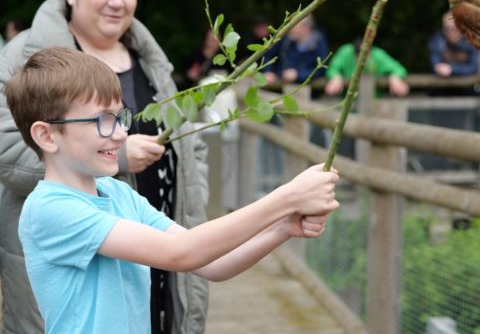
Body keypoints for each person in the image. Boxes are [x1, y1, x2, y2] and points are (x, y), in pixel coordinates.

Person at [5, 46, 340, 334]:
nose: (122, 133)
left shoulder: (118, 194)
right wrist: (287, 197)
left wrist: (283, 226)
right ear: (46, 135)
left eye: (119, 117)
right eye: (102, 121)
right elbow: (182, 253)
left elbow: (212, 265)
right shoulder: (51, 210)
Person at [0, 0, 208, 333]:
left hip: (158, 236)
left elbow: (191, 143)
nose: (117, 1)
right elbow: (7, 146)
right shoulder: (24, 59)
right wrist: (121, 159)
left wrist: (195, 202)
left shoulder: (153, 63)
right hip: (81, 251)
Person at [324, 38, 409, 97]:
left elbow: (399, 69)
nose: (362, 60)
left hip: (374, 103)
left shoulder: (377, 55)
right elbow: (332, 68)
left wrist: (394, 76)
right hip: (349, 104)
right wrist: (335, 76)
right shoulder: (346, 52)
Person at [263, 14, 329, 85]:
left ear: (305, 27)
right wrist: (268, 71)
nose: (289, 29)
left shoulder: (318, 42)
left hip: (310, 90)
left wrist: (298, 74)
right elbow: (269, 55)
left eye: (293, 25)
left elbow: (321, 70)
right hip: (279, 86)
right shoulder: (286, 39)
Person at [428, 11, 480, 96]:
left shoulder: (471, 42)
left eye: (454, 28)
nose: (451, 32)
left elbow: (474, 67)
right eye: (447, 29)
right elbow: (437, 67)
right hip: (441, 91)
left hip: (467, 92)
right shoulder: (437, 41)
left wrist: (452, 69)